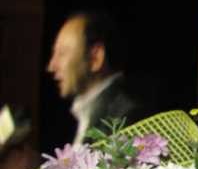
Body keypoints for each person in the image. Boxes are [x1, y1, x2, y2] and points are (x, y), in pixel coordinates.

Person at [46, 10, 146, 144]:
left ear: (95, 57)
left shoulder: (126, 117)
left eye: (62, 53)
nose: (51, 66)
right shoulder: (91, 113)